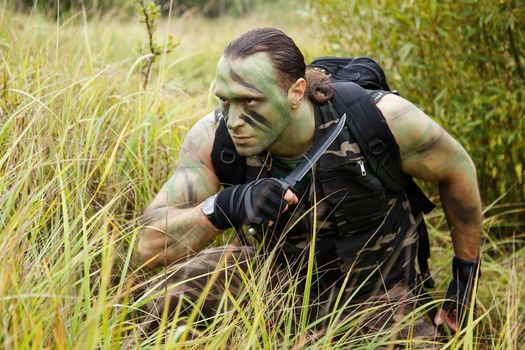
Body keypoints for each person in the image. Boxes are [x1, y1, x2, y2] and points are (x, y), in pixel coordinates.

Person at [137, 28, 482, 343]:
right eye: (225, 101)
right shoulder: (215, 139)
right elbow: (149, 244)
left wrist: (464, 281)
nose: (235, 120)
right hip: (280, 287)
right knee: (175, 289)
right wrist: (225, 206)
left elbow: (458, 168)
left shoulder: (384, 119)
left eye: (250, 101)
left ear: (296, 92)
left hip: (378, 299)